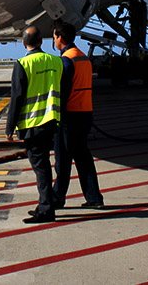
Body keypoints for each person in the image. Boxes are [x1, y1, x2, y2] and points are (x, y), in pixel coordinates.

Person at [6, 26, 64, 224]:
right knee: (45, 166)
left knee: (41, 168)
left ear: (24, 43)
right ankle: (45, 204)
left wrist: (10, 127)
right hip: (51, 121)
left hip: (32, 124)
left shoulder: (23, 63)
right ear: (42, 41)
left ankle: (46, 209)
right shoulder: (57, 61)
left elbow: (17, 97)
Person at [52, 21, 105, 210]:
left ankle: (57, 198)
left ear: (60, 37)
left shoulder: (66, 59)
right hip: (85, 112)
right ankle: (94, 198)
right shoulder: (82, 57)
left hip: (70, 116)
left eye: (54, 36)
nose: (54, 40)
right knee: (83, 157)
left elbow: (63, 91)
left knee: (63, 160)